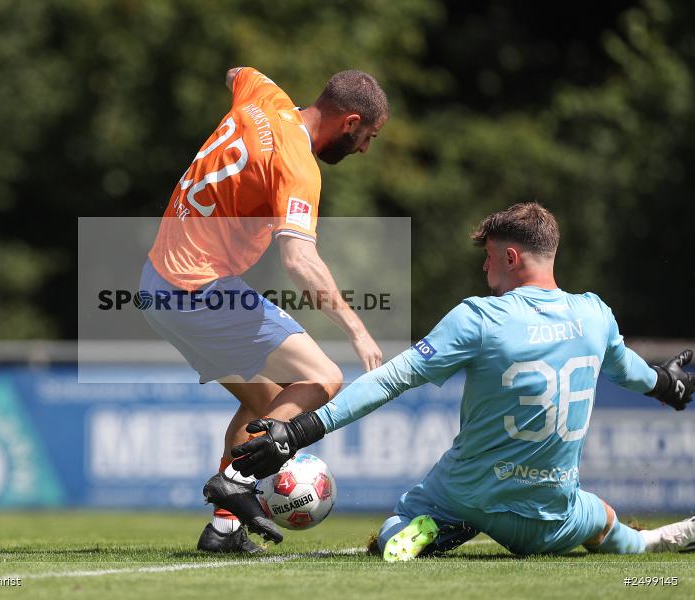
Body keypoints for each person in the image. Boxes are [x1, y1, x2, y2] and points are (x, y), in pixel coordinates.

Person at [231, 202, 695, 558]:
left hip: (470, 495)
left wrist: (300, 429)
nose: (484, 268)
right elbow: (629, 370)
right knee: (605, 521)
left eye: (489, 257)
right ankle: (656, 542)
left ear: (511, 256)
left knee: (399, 523)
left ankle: (425, 528)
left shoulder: (480, 318)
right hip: (551, 516)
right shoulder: (595, 315)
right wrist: (666, 385)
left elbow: (391, 380)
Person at [140, 67, 389, 553]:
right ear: (350, 122)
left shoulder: (261, 91)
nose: (364, 149)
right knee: (322, 378)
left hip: (156, 284)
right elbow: (299, 260)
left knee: (267, 405)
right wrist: (357, 329)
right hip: (198, 288)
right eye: (368, 137)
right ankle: (235, 481)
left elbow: (234, 72)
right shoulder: (299, 166)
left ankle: (223, 530)